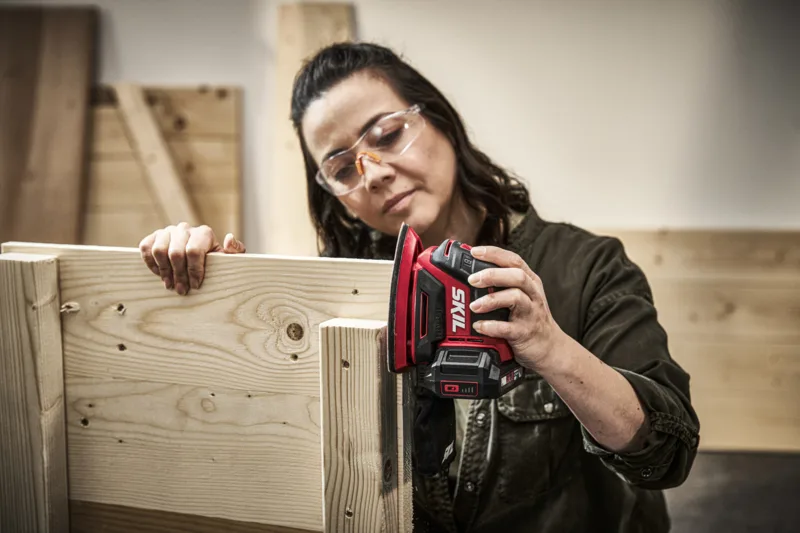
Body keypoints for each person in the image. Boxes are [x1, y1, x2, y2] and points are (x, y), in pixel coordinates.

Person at [138, 42, 700, 532]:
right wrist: (219, 299)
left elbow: (667, 455)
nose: (374, 172)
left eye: (387, 135)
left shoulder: (586, 267)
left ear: (439, 119)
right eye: (343, 169)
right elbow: (258, 447)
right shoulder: (341, 296)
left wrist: (550, 348)